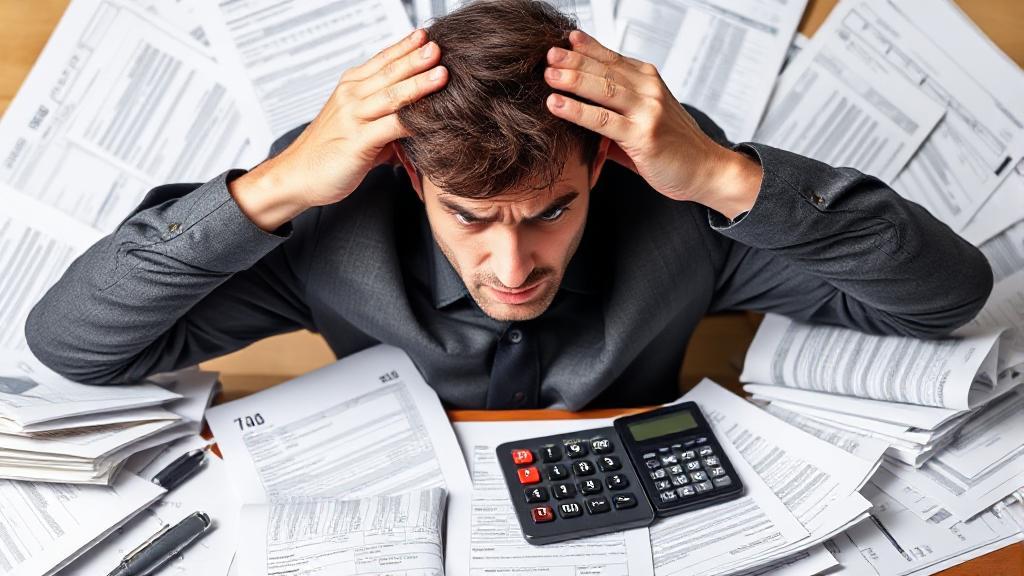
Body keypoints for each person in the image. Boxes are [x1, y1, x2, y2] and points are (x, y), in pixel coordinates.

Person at [25, 0, 991, 410]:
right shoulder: (329, 220)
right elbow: (76, 346)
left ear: (604, 167)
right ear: (411, 180)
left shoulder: (676, 200)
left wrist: (724, 175)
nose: (514, 268)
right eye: (470, 217)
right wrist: (273, 187)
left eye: (550, 212)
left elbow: (944, 299)